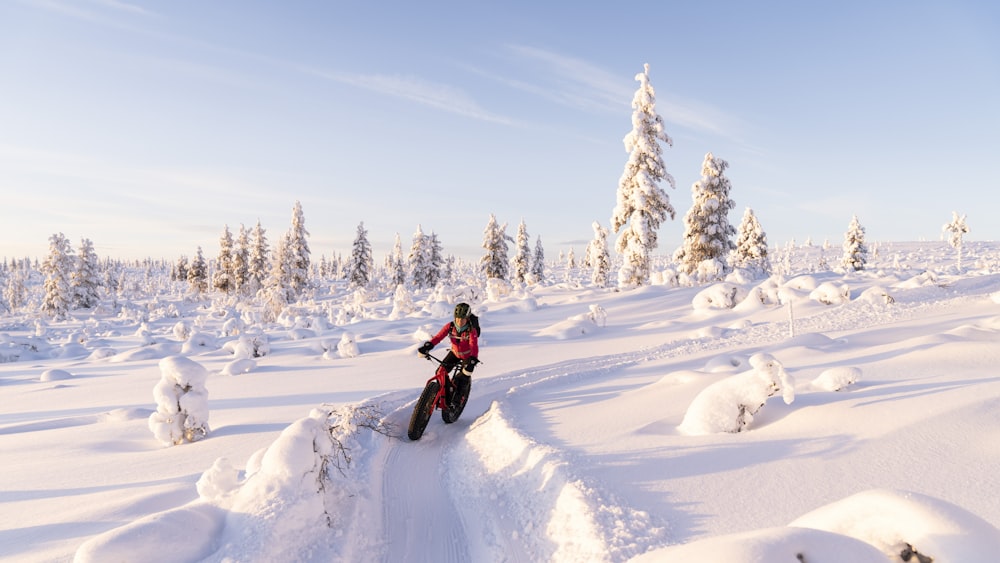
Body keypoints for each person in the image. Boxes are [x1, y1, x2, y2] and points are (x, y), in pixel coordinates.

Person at [417, 302, 479, 411]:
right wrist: (428, 346)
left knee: (463, 377)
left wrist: (473, 359)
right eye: (458, 318)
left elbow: (473, 345)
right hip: (454, 353)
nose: (460, 321)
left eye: (463, 319)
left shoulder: (471, 330)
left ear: (467, 318)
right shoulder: (450, 326)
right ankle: (445, 392)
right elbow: (438, 337)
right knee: (440, 372)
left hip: (467, 356)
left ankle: (457, 400)